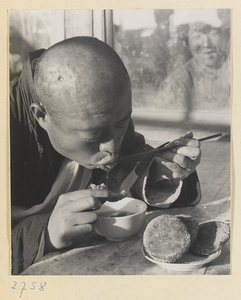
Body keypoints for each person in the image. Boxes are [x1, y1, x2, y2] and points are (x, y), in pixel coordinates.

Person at [10, 36, 201, 274]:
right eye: (93, 134)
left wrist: (159, 173)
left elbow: (130, 163)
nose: (112, 147)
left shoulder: (106, 117)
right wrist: (45, 233)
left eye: (122, 123)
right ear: (41, 117)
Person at [156, 9, 230, 112]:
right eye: (197, 35)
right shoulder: (177, 84)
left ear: (225, 35)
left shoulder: (232, 69)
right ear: (187, 40)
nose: (206, 43)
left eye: (213, 32)